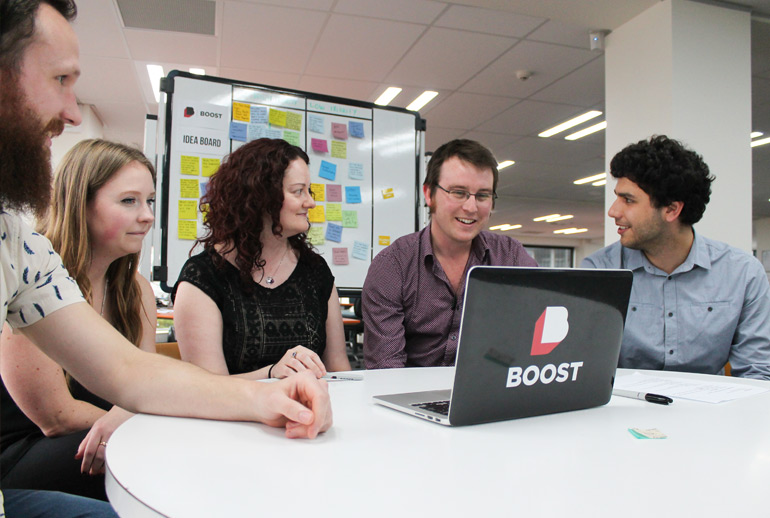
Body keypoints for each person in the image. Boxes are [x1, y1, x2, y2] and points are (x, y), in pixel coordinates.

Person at [0, 1, 331, 516]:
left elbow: (131, 372)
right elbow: (56, 417)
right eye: (61, 78)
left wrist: (268, 396)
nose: (71, 111)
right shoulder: (202, 276)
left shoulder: (16, 248)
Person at [1, 139, 159, 500]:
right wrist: (136, 419)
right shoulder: (29, 277)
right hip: (29, 447)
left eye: (149, 201)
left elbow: (148, 381)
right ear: (79, 205)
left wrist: (131, 415)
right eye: (129, 201)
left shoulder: (136, 290)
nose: (147, 215)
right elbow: (57, 417)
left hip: (109, 431)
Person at [582, 135, 770, 379]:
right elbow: (586, 368)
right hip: (625, 411)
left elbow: (758, 373)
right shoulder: (599, 271)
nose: (613, 211)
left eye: (628, 200)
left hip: (711, 413)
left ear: (671, 209)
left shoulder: (742, 273)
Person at [173, 138, 351, 379]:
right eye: (298, 191)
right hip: (232, 417)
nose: (311, 202)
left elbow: (338, 371)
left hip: (308, 414)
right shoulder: (203, 277)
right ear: (260, 198)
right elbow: (206, 390)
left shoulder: (314, 270)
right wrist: (271, 373)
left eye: (309, 191)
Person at [363, 139, 537, 369]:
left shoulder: (510, 257)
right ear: (429, 194)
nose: (471, 207)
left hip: (488, 391)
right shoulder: (392, 267)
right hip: (410, 396)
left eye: (483, 195)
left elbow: (536, 330)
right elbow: (386, 369)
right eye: (458, 192)